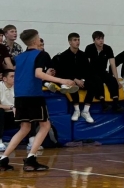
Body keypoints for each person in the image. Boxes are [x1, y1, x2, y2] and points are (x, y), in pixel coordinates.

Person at [0, 29, 75, 172]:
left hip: (19, 96)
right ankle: (31, 159)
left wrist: (45, 75)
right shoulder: (41, 54)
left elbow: (27, 74)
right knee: (45, 125)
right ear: (36, 40)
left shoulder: (20, 57)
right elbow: (38, 74)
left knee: (24, 128)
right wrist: (62, 80)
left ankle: (3, 159)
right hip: (33, 95)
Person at [54, 33, 94, 123]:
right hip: (71, 80)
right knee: (72, 85)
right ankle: (77, 110)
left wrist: (82, 80)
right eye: (75, 40)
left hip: (81, 79)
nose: (77, 42)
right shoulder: (64, 56)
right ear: (70, 42)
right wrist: (75, 79)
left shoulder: (83, 55)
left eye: (78, 40)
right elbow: (63, 72)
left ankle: (86, 110)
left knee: (93, 85)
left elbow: (88, 70)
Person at [85, 31, 123, 112]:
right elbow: (86, 64)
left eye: (102, 38)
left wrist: (117, 80)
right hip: (92, 71)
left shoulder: (108, 48)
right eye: (98, 39)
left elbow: (113, 64)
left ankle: (116, 104)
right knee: (98, 80)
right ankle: (103, 103)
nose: (101, 40)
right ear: (94, 40)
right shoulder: (89, 48)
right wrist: (87, 76)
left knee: (112, 80)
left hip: (102, 71)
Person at [0, 70, 15, 152]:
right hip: (4, 115)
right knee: (0, 111)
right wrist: (11, 107)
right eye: (12, 76)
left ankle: (32, 140)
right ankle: (0, 141)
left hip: (15, 114)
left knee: (30, 111)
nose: (15, 78)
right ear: (5, 79)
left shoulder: (18, 86)